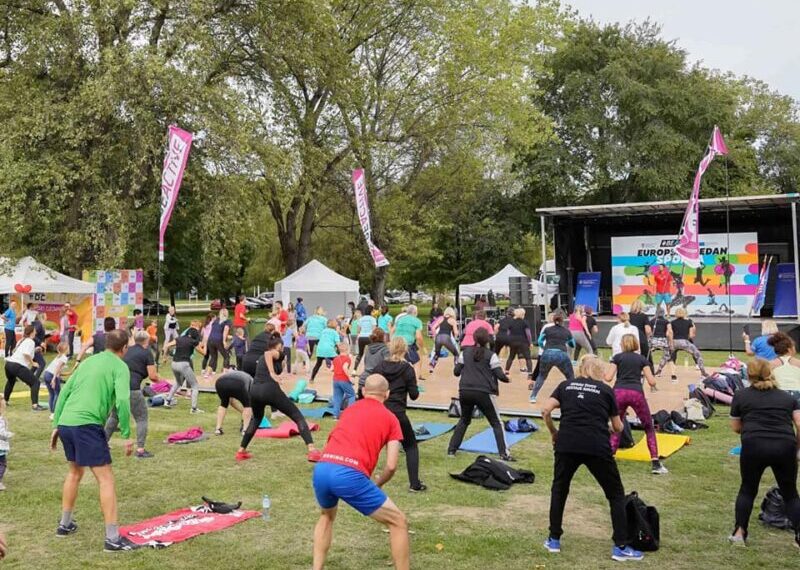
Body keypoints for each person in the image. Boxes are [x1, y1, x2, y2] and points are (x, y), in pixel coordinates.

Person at [540, 355, 645, 562]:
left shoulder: (565, 385)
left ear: (581, 369)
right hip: (596, 445)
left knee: (559, 489)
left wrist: (554, 432)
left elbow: (545, 410)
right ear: (598, 371)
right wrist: (613, 427)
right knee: (615, 494)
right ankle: (621, 546)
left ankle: (554, 539)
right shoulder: (605, 390)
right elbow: (617, 427)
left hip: (567, 443)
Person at [50, 329, 140, 551]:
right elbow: (122, 400)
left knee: (75, 472)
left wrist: (56, 425)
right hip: (86, 425)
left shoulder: (88, 361)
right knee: (106, 479)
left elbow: (64, 392)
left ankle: (65, 524)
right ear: (125, 348)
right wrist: (127, 434)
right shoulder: (120, 366)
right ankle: (112, 539)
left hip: (68, 423)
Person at [312, 374, 409, 570]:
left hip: (322, 468)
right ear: (387, 394)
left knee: (327, 516)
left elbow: (332, 440)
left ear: (364, 391)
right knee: (398, 521)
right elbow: (391, 465)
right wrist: (378, 483)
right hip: (349, 474)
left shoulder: (349, 410)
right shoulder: (391, 419)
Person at [728, 358, 800, 548]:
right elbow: (799, 424)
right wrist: (797, 448)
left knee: (747, 489)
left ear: (749, 375)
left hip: (754, 445)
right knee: (790, 493)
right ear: (770, 372)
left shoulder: (741, 396)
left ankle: (739, 533)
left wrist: (752, 430)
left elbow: (735, 427)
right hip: (785, 445)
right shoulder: (787, 398)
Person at [237, 335, 320, 462]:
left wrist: (279, 368)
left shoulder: (265, 358)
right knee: (298, 417)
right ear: (279, 346)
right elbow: (268, 354)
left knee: (256, 419)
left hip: (255, 391)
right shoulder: (275, 353)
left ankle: (241, 451)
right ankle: (312, 450)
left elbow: (272, 362)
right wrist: (272, 373)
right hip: (269, 389)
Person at [605, 334, 667, 474]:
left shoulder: (617, 357)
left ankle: (609, 458)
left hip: (618, 392)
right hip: (636, 393)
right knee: (648, 427)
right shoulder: (641, 359)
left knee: (617, 425)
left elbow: (608, 377)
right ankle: (656, 463)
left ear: (622, 344)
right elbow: (652, 382)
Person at [447, 328, 512, 460]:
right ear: (487, 340)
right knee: (496, 423)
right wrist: (508, 379)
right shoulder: (491, 355)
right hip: (483, 392)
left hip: (465, 390)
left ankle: (451, 450)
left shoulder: (464, 353)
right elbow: (499, 374)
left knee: (464, 420)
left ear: (474, 339)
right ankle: (504, 454)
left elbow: (456, 372)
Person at [373, 337, 425, 491]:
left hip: (381, 412)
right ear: (405, 350)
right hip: (398, 413)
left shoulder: (380, 367)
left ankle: (360, 477)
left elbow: (371, 384)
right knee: (410, 446)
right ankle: (414, 484)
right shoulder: (407, 369)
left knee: (373, 446)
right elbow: (414, 394)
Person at [104, 330, 158, 459]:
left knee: (114, 417)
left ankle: (102, 443)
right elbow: (152, 376)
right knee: (141, 418)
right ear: (146, 341)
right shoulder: (146, 353)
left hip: (119, 387)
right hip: (133, 389)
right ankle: (140, 449)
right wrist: (163, 381)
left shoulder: (127, 350)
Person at [531, 312, 574, 403]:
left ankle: (533, 396)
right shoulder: (566, 331)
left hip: (547, 354)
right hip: (561, 354)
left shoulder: (547, 329)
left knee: (542, 376)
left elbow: (539, 341)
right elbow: (572, 344)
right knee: (570, 376)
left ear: (554, 320)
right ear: (563, 321)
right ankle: (574, 396)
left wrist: (544, 348)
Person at [3, 325, 46, 411]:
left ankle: (5, 401)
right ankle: (35, 405)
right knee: (35, 382)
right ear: (31, 333)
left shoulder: (22, 340)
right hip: (17, 365)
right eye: (34, 331)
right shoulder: (30, 341)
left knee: (11, 381)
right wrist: (33, 363)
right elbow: (26, 354)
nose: (36, 332)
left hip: (8, 364)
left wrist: (34, 350)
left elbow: (17, 351)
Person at [163, 323, 203, 413]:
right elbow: (203, 353)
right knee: (195, 385)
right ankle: (193, 409)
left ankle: (168, 401)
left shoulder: (179, 339)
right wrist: (205, 344)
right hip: (184, 365)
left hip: (174, 364)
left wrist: (164, 357)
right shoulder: (193, 342)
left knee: (178, 382)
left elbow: (167, 345)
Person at [669, 307, 708, 377]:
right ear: (684, 313)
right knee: (698, 355)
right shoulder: (689, 322)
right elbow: (691, 335)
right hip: (684, 342)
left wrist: (671, 343)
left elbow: (670, 333)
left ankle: (669, 373)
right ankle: (703, 372)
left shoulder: (672, 322)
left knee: (671, 356)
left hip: (674, 342)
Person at [214, 370, 253, 436]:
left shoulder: (244, 376)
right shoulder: (252, 381)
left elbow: (231, 402)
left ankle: (218, 429)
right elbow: (252, 403)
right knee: (248, 405)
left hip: (220, 382)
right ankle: (245, 430)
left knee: (224, 404)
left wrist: (243, 411)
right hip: (238, 383)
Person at [393, 305, 425, 380]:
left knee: (397, 360)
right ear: (415, 312)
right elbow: (418, 337)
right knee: (416, 362)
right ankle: (415, 384)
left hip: (396, 342)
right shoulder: (417, 321)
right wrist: (422, 346)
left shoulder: (400, 319)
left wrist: (392, 341)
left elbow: (392, 330)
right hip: (406, 343)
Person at [768, 332, 800, 401]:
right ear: (789, 349)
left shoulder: (771, 364)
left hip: (778, 394)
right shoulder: (798, 362)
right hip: (797, 394)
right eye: (794, 347)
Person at [358, 328, 389, 395]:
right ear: (383, 337)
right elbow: (387, 366)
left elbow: (365, 363)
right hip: (376, 382)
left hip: (364, 380)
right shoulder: (385, 350)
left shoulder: (368, 348)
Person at [505, 308, 533, 379]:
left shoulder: (511, 322)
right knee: (528, 357)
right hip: (523, 341)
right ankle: (530, 373)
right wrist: (530, 342)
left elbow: (508, 333)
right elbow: (528, 334)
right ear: (523, 314)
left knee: (511, 356)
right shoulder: (525, 322)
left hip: (513, 341)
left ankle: (506, 371)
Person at [429, 307, 460, 373]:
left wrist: (434, 336)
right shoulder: (452, 320)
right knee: (456, 354)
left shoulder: (441, 318)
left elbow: (433, 327)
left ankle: (431, 367)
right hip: (446, 338)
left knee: (437, 354)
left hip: (438, 337)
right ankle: (457, 368)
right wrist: (456, 337)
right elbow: (456, 332)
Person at [650, 308, 676, 383]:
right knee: (669, 357)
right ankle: (673, 376)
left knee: (647, 356)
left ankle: (643, 374)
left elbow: (648, 331)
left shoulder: (652, 321)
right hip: (663, 341)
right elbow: (670, 332)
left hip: (653, 340)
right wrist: (671, 343)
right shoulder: (666, 321)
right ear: (663, 313)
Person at [43, 342, 70, 415]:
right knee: (57, 394)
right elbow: (57, 368)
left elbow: (58, 371)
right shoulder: (64, 358)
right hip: (52, 375)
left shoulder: (59, 356)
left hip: (46, 374)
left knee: (52, 394)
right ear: (66, 349)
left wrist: (69, 373)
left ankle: (52, 412)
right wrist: (54, 379)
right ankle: (54, 412)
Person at [330, 342, 355, 418]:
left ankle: (335, 415)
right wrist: (350, 377)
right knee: (352, 395)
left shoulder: (335, 358)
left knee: (337, 397)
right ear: (347, 350)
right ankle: (350, 414)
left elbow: (331, 369)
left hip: (335, 380)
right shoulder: (347, 358)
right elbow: (345, 368)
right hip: (344, 380)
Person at [206, 308, 231, 375]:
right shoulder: (227, 321)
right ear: (226, 314)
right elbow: (225, 331)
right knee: (226, 356)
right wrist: (224, 341)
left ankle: (207, 373)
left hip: (210, 339)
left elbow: (215, 330)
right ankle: (225, 373)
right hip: (219, 340)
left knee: (213, 357)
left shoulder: (216, 320)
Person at [628, 300, 652, 369]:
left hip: (629, 338)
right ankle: (649, 372)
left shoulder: (628, 315)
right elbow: (648, 330)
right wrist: (647, 337)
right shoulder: (644, 316)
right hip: (641, 339)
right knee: (646, 357)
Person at [0, 394, 11, 491]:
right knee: (2, 464)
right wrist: (8, 434)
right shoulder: (1, 420)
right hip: (0, 447)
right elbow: (1, 432)